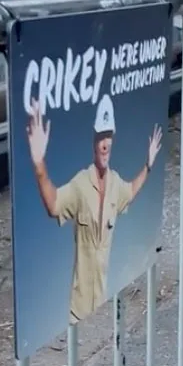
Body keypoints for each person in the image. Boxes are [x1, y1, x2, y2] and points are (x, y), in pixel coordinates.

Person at [26, 94, 162, 325]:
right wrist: (39, 165)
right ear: (94, 142)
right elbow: (53, 205)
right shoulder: (80, 184)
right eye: (101, 136)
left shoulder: (116, 184)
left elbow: (130, 192)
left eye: (109, 136)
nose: (105, 143)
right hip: (78, 310)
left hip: (102, 306)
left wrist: (148, 166)